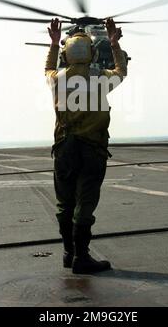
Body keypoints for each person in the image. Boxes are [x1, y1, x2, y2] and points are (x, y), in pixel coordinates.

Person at [45, 17, 127, 274]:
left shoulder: (57, 78)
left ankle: (69, 253)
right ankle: (82, 257)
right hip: (91, 150)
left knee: (64, 203)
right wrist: (114, 45)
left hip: (65, 150)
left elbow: (47, 68)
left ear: (66, 54)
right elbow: (121, 71)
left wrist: (53, 42)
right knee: (85, 203)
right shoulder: (100, 78)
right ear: (92, 53)